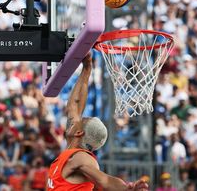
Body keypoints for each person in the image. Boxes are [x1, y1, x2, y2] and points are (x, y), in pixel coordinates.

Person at [47, 54, 149, 191]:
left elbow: (105, 181)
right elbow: (74, 106)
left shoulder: (82, 158)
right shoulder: (71, 153)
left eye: (81, 120)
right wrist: (87, 68)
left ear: (79, 132)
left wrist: (127, 188)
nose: (77, 118)